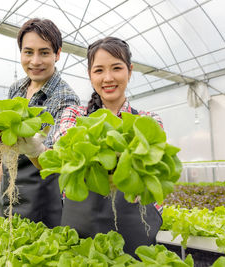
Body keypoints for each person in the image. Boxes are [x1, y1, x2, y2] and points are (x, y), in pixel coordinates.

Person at [54, 37, 163, 257]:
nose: (108, 78)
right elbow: (63, 149)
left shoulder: (148, 120)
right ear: (89, 74)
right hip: (82, 231)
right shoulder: (74, 115)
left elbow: (155, 169)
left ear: (130, 71)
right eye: (99, 70)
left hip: (135, 233)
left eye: (116, 68)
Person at [0, 18, 80, 228]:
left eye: (44, 52)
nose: (35, 61)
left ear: (58, 54)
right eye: (28, 52)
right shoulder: (16, 89)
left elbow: (58, 164)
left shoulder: (65, 98)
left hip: (42, 200)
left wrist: (36, 151)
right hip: (9, 192)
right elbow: (9, 145)